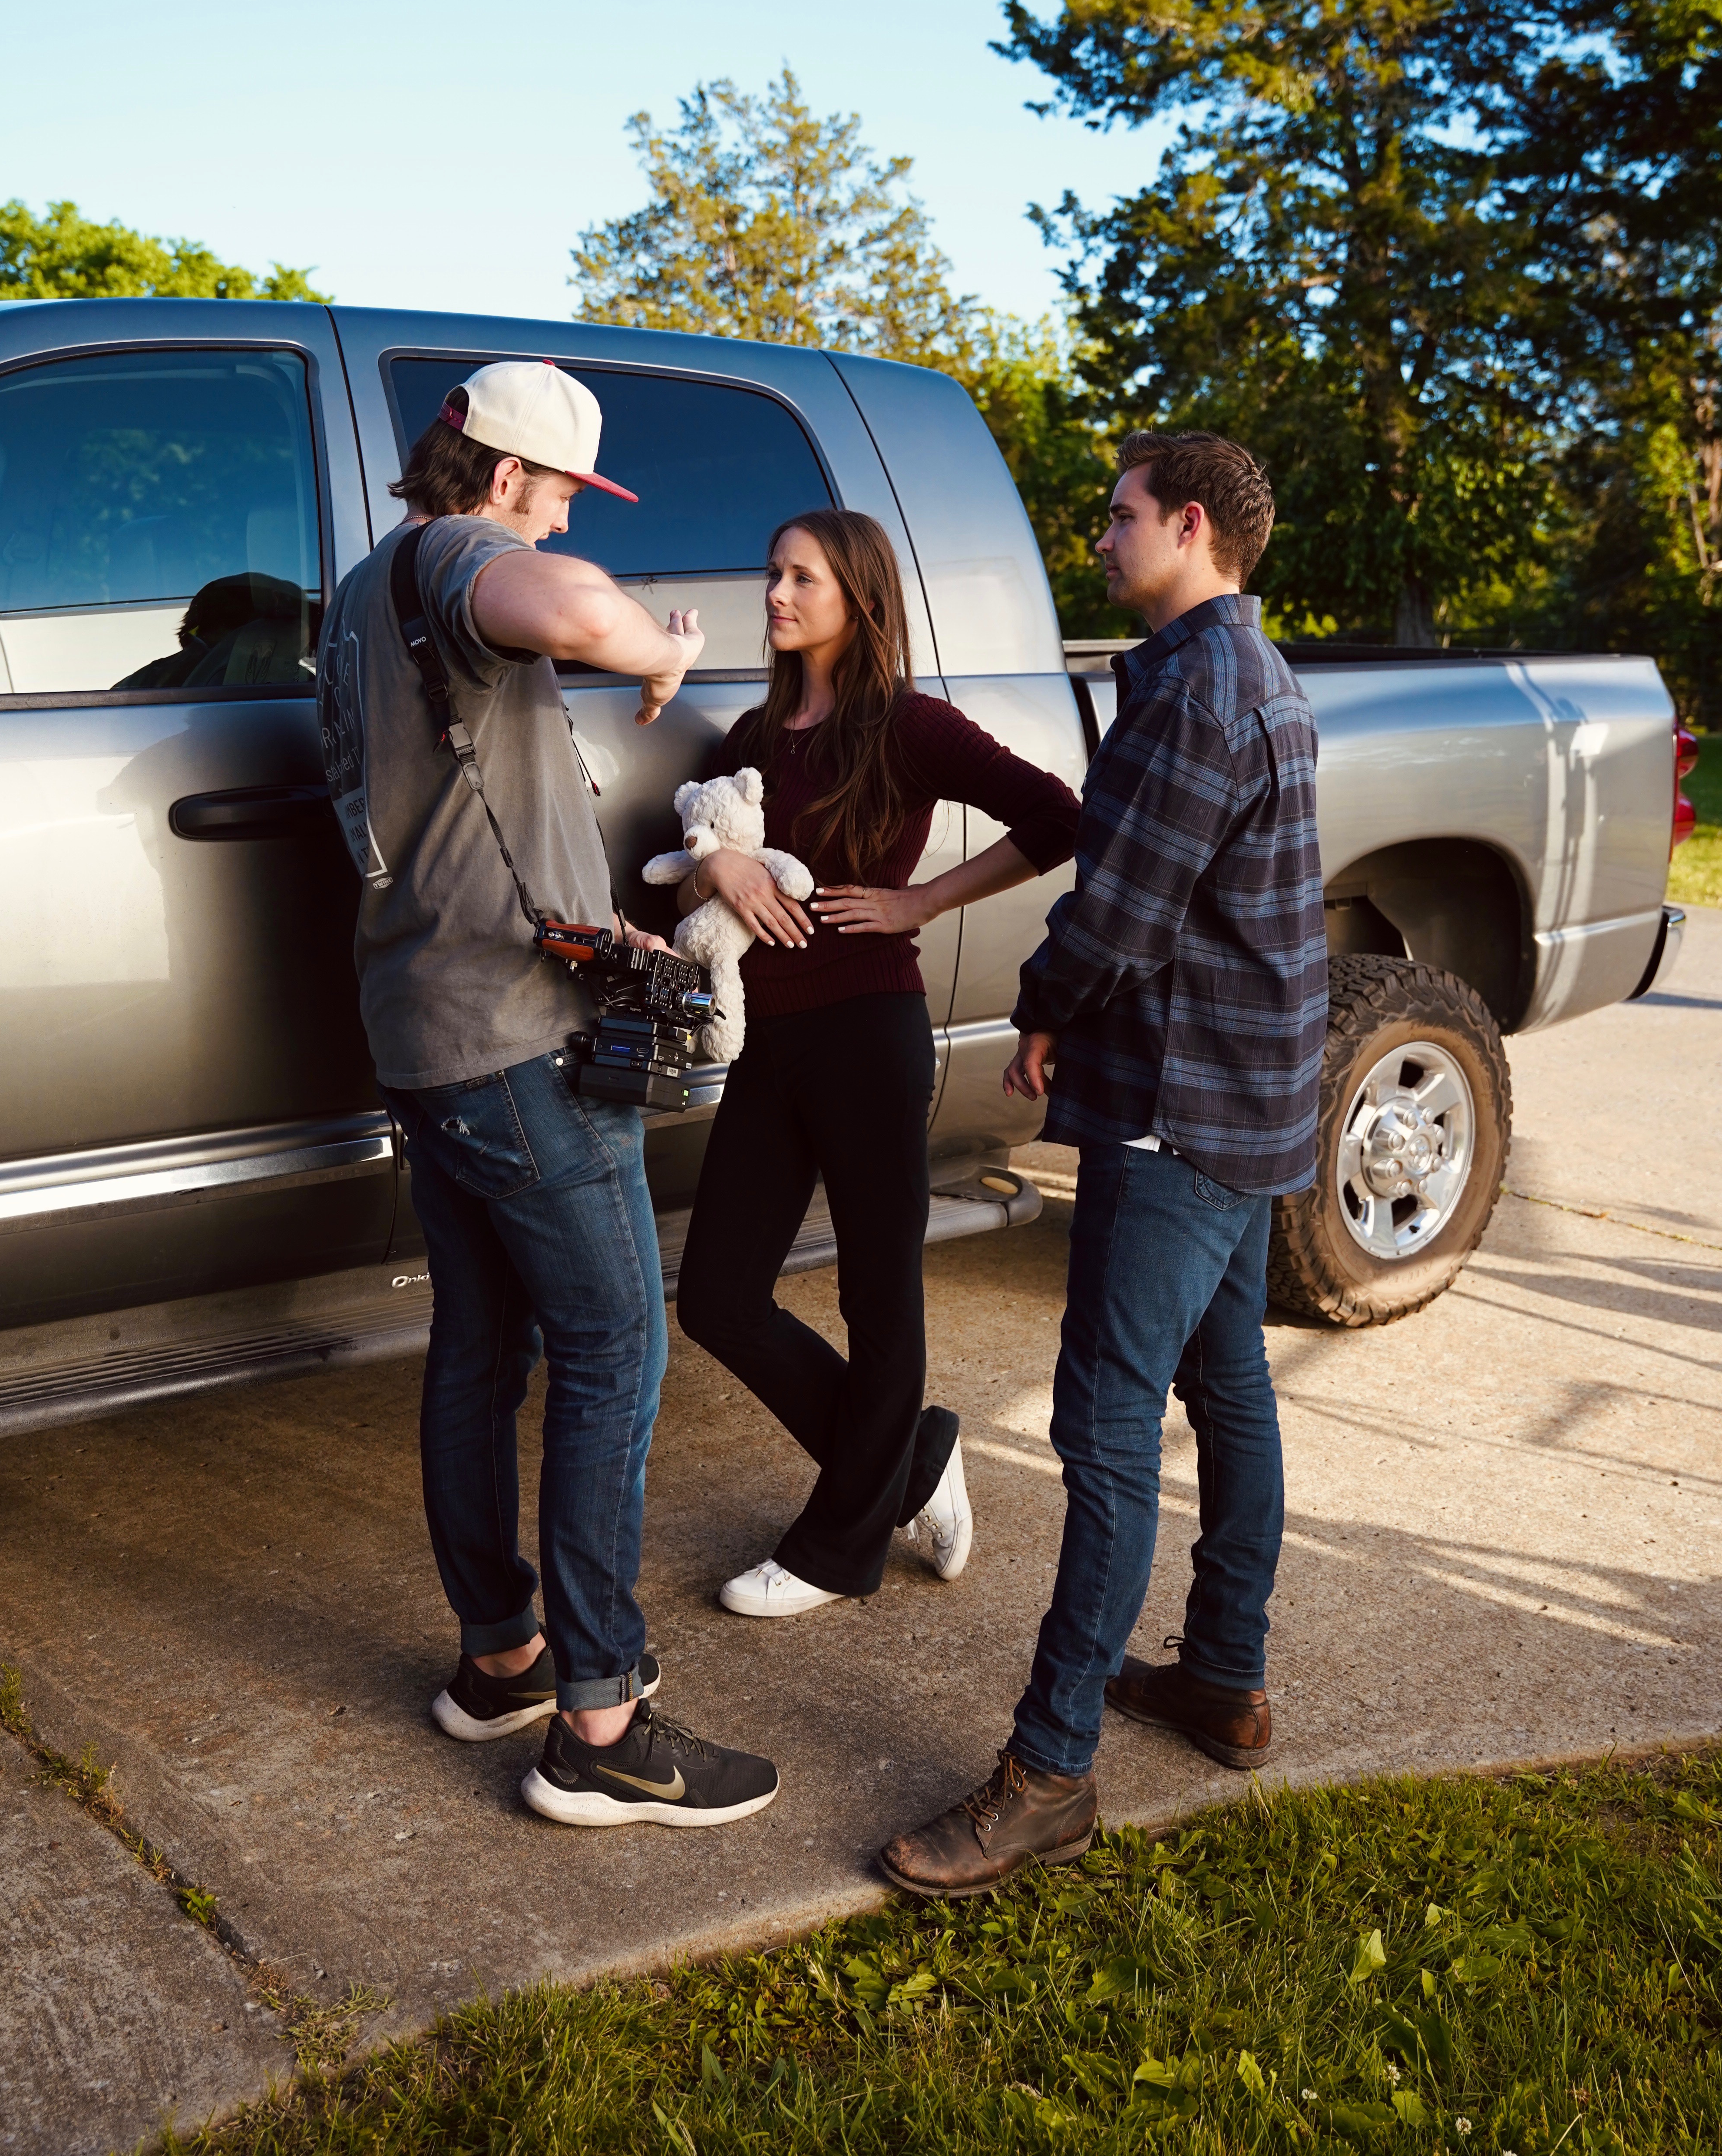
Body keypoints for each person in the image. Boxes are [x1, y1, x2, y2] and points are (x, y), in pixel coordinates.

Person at [316, 360, 779, 1830]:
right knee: (612, 1355)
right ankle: (601, 1720)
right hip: (514, 1051)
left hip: (425, 1029)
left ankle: (500, 1653)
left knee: (480, 1352)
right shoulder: (465, 557)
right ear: (508, 479)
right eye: (567, 491)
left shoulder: (357, 593)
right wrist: (651, 652)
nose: (571, 513)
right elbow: (567, 605)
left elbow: (471, 823)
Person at [879, 432, 1327, 1896]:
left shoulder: (1199, 691)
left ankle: (1051, 1768)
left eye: (1123, 515)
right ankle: (1222, 1677)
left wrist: (1044, 1013)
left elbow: (1123, 912)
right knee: (1229, 1382)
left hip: (1181, 1104)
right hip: (1249, 1094)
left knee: (1108, 1425)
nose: (1105, 536)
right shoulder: (1248, 673)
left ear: (1192, 524)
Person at [673, 508, 1081, 1618]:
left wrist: (918, 901)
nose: (775, 592)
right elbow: (690, 859)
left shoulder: (908, 725)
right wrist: (713, 875)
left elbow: (1055, 816)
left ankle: (833, 1548)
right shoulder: (750, 743)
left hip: (868, 1027)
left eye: (800, 576)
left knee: (876, 1291)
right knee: (714, 1296)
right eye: (771, 573)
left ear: (857, 596)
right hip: (773, 1036)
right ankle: (910, 1460)